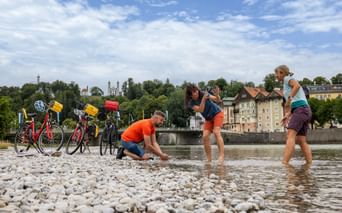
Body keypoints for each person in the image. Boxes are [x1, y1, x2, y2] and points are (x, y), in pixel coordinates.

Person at [274, 65, 312, 165]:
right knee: (301, 140)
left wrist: (289, 98)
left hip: (301, 110)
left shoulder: (287, 79)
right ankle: (309, 163)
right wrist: (288, 115)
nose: (276, 76)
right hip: (305, 110)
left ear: (282, 72)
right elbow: (298, 101)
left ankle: (285, 163)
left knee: (290, 135)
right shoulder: (286, 84)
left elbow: (297, 86)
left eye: (276, 73)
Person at [184, 84, 225, 163]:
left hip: (217, 113)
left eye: (196, 91)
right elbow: (200, 110)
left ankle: (221, 156)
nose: (196, 93)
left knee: (216, 132)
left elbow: (217, 100)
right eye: (193, 93)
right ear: (190, 95)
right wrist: (203, 100)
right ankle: (209, 159)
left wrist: (217, 94)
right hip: (208, 118)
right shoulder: (191, 103)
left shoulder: (203, 93)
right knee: (205, 136)